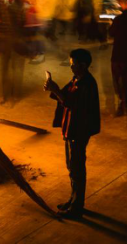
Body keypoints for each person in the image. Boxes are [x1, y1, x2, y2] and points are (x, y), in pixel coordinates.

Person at [44, 48, 100, 219]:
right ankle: (73, 200)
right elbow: (66, 95)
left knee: (76, 168)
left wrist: (56, 91)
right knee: (72, 167)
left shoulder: (87, 84)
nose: (71, 67)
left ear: (83, 65)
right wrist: (53, 89)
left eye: (73, 64)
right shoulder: (77, 79)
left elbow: (73, 104)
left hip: (79, 130)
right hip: (71, 128)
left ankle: (77, 208)